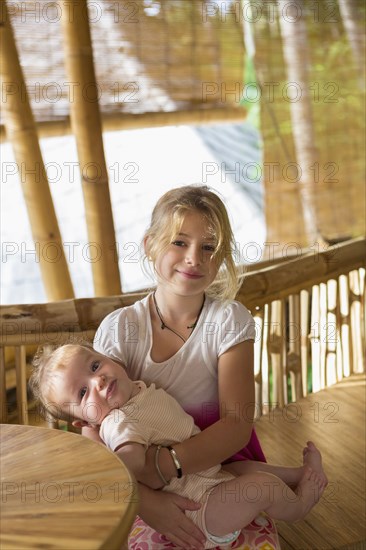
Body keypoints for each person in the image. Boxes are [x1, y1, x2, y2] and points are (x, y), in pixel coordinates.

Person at [77, 184, 322, 548]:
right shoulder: (121, 328)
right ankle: (292, 477)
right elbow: (92, 432)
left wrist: (165, 466)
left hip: (218, 456)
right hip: (140, 480)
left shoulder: (229, 320)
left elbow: (237, 424)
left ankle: (292, 483)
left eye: (209, 248)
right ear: (149, 245)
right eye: (179, 242)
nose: (194, 258)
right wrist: (150, 502)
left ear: (221, 258)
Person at [30, 343, 327, 550]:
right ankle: (299, 506)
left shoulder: (137, 391)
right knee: (260, 487)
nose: (98, 379)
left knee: (241, 467)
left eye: (95, 365)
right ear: (85, 424)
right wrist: (117, 469)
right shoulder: (117, 421)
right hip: (199, 509)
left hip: (208, 476)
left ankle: (295, 474)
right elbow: (129, 459)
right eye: (82, 392)